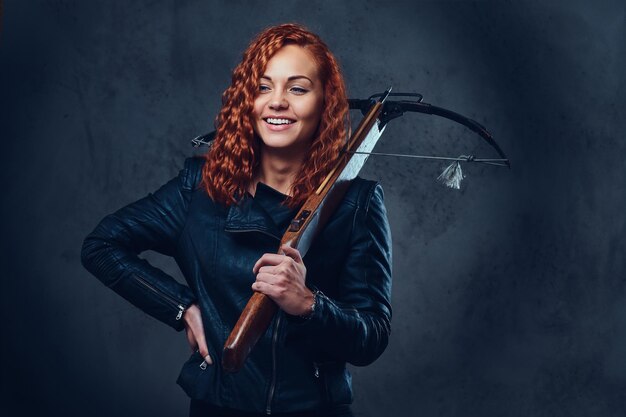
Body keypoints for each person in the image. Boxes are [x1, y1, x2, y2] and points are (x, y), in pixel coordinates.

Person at [81, 23, 392, 417]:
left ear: (325, 104)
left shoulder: (356, 202)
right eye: (263, 87)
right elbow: (101, 245)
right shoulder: (197, 189)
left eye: (297, 88)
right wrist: (183, 308)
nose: (277, 102)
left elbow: (372, 337)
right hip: (217, 406)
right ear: (247, 99)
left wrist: (309, 305)